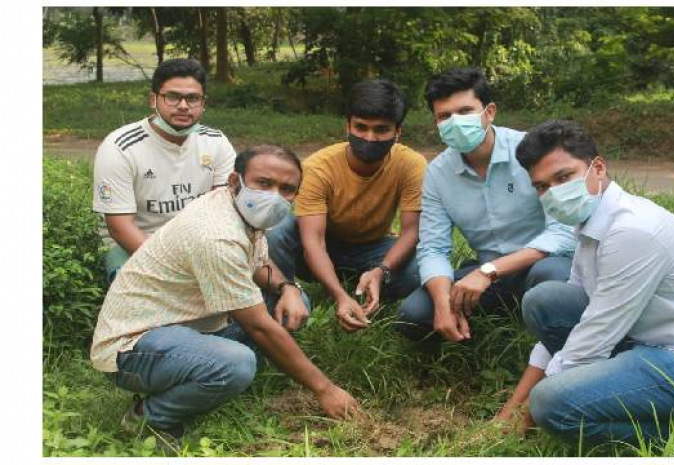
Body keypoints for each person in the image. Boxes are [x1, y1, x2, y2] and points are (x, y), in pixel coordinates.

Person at [496, 119, 674, 449]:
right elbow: (575, 331)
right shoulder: (590, 225)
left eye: (564, 177)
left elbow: (595, 337)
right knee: (546, 301)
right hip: (660, 343)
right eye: (542, 186)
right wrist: (510, 410)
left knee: (551, 405)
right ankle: (666, 409)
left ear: (597, 168)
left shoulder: (632, 231)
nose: (554, 193)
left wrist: (526, 413)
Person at [90, 146, 359, 454]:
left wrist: (288, 288)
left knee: (293, 304)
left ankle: (206, 376)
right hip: (133, 346)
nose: (274, 196)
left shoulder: (236, 208)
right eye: (264, 183)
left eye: (287, 189)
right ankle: (148, 418)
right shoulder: (216, 235)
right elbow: (257, 327)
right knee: (236, 363)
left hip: (186, 325)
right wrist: (324, 389)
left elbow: (258, 263)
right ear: (235, 181)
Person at [397, 67, 578, 343]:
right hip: (487, 276)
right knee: (414, 313)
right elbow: (433, 247)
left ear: (489, 112)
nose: (455, 122)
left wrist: (489, 271)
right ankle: (488, 327)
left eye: (465, 111)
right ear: (436, 123)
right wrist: (443, 302)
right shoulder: (437, 174)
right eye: (445, 116)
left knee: (553, 280)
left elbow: (564, 233)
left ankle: (545, 336)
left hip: (541, 264)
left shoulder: (531, 152)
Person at [267, 79, 427, 332]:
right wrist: (339, 297)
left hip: (373, 246)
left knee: (422, 265)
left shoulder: (412, 164)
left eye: (381, 130)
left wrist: (381, 270)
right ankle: (287, 295)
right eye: (360, 127)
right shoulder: (318, 167)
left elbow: (411, 231)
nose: (369, 138)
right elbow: (314, 242)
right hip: (323, 245)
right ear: (347, 126)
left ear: (398, 131)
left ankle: (368, 290)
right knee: (276, 231)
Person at [92, 58, 236, 284]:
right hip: (133, 245)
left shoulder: (216, 142)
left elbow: (225, 213)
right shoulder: (120, 147)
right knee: (145, 307)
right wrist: (176, 267)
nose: (183, 106)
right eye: (172, 96)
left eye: (192, 98)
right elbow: (119, 228)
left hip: (198, 243)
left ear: (203, 103)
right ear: (153, 99)